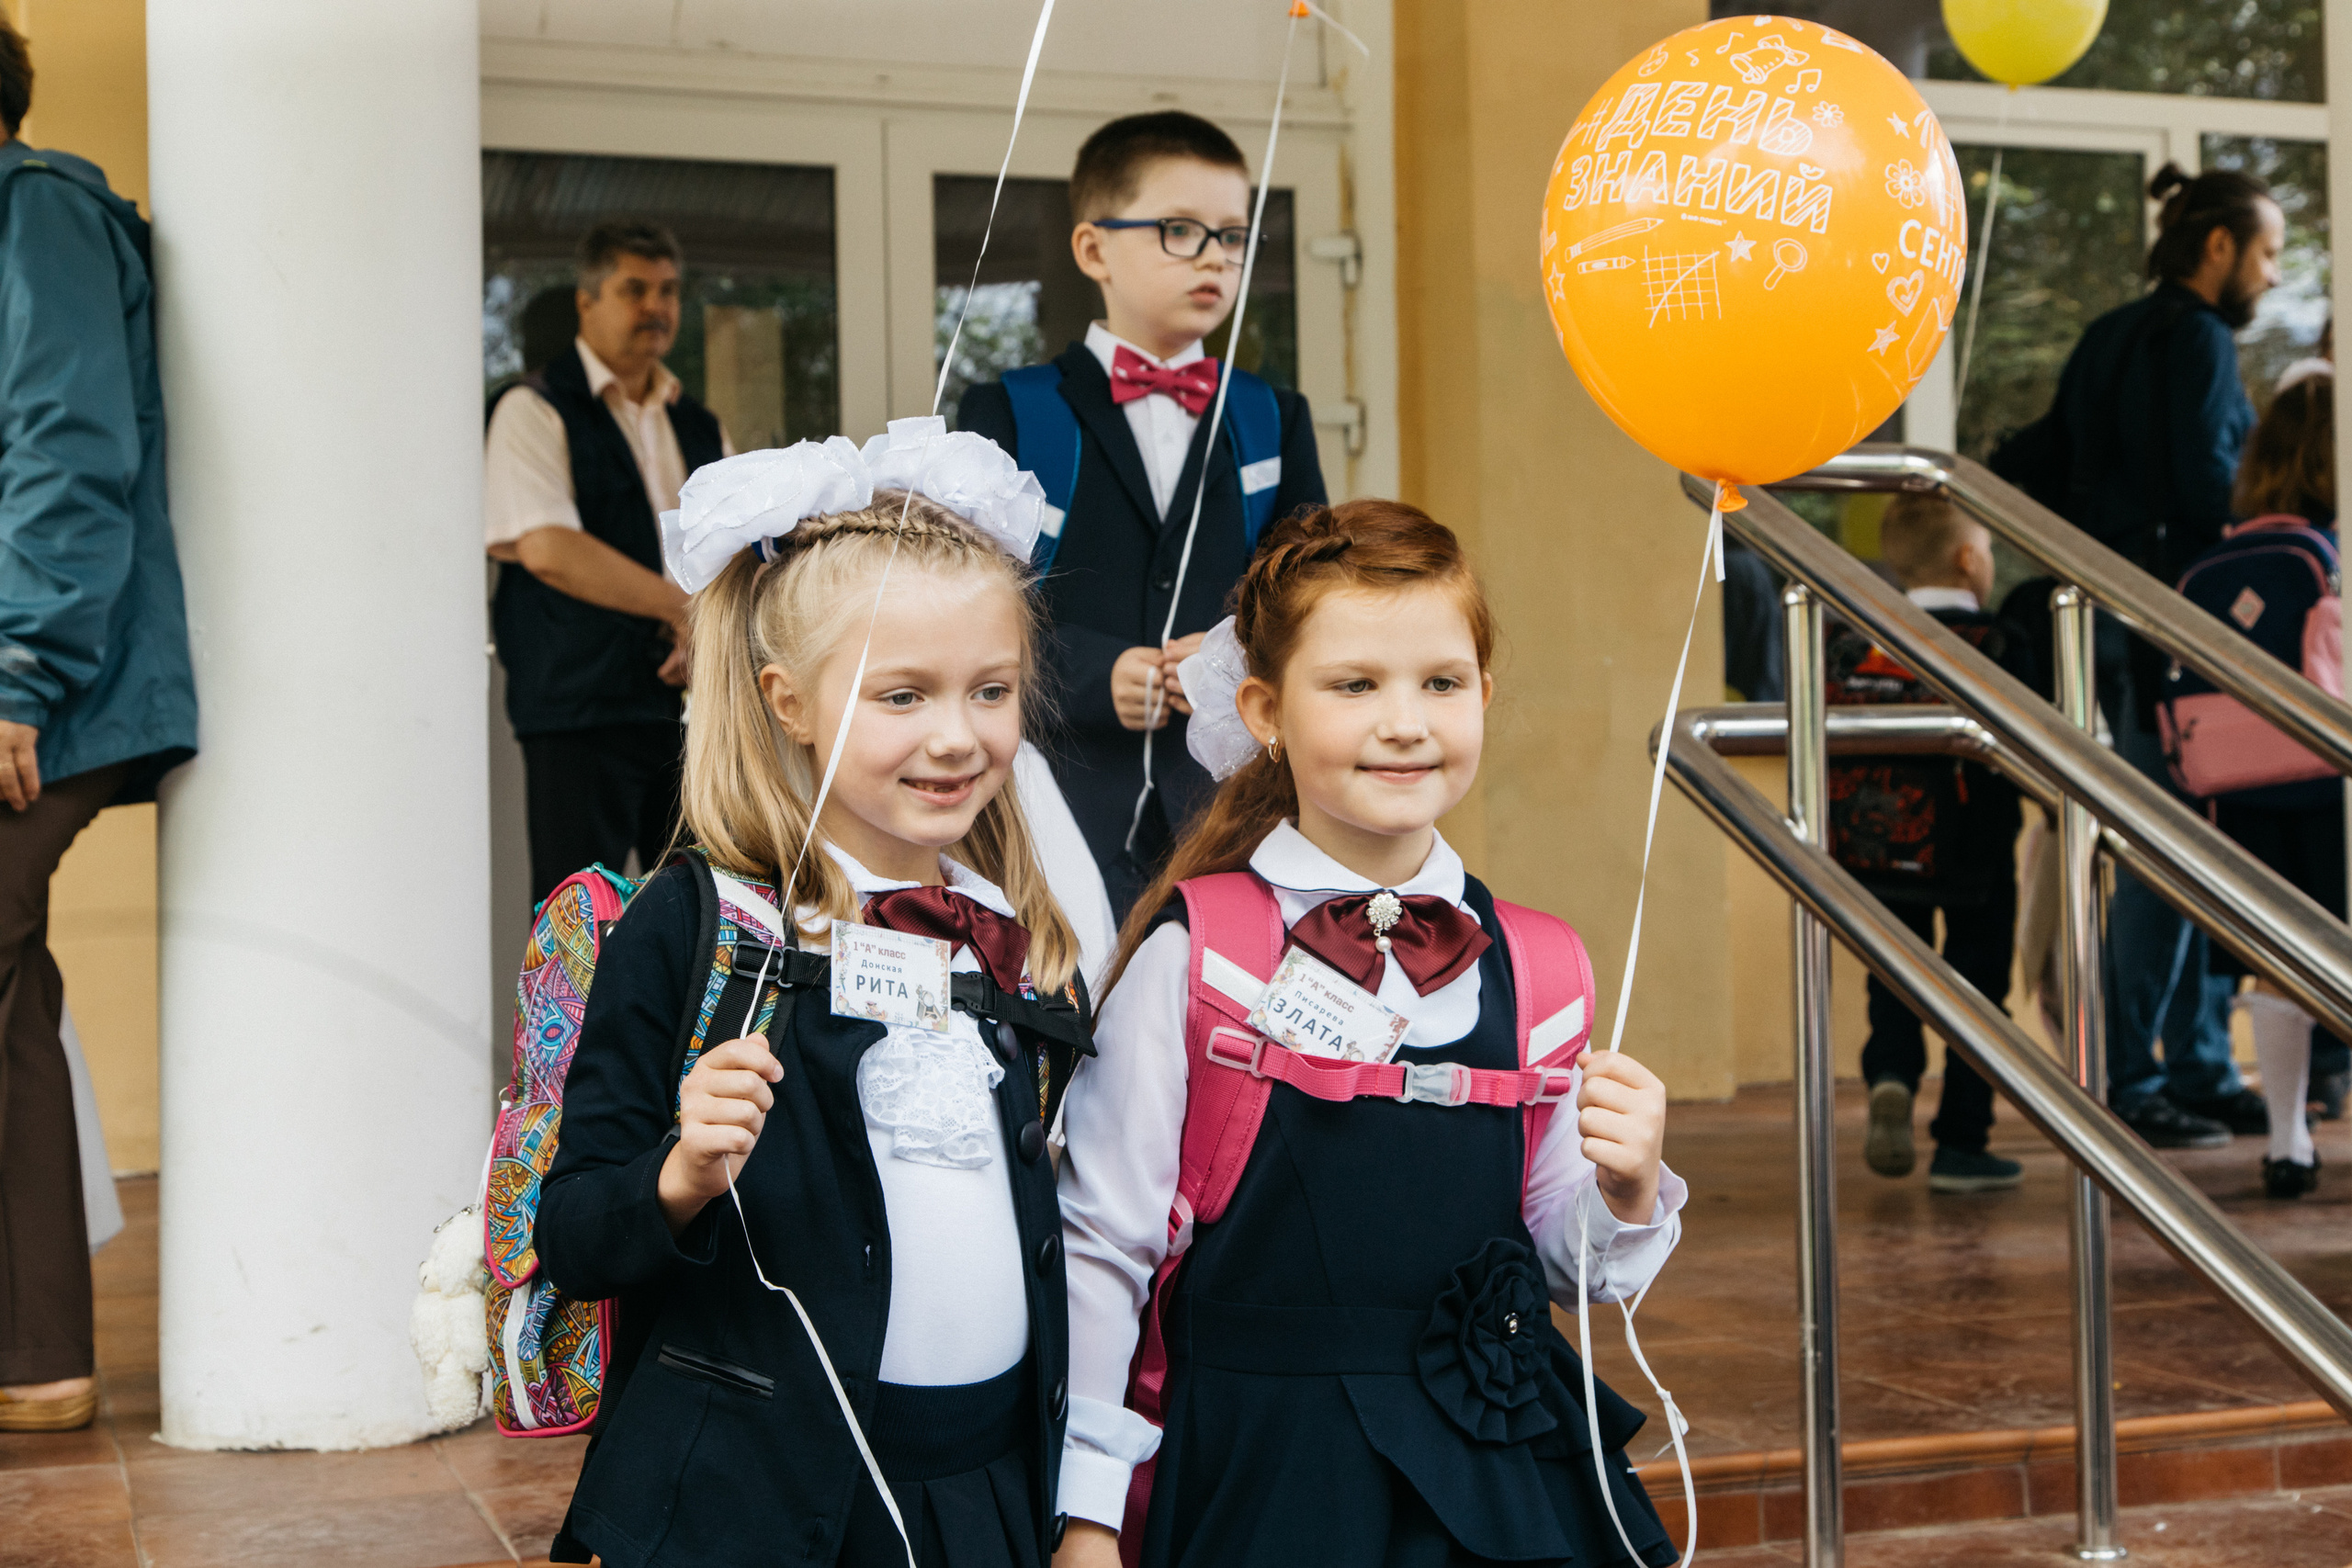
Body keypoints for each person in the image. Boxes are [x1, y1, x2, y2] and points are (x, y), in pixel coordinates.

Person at [1055, 502, 1684, 1568]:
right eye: (1354, 686)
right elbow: (1105, 1245)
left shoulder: (1540, 966)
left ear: (1482, 696)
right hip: (1269, 1467)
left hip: (1491, 1463)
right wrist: (1088, 1513)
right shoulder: (1202, 952)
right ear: (1265, 710)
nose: (1406, 722)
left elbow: (1557, 1256)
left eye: (1440, 683)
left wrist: (1624, 1192)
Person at [537, 425, 1084, 1566]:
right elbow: (576, 1234)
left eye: (991, 690)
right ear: (788, 702)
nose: (955, 736)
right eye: (901, 695)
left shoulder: (1008, 926)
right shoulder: (698, 928)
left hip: (985, 1493)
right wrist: (681, 1173)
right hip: (761, 1505)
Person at [958, 112, 1326, 919]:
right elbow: (963, 600)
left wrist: (1229, 653)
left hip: (1228, 805)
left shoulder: (1272, 417)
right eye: (1180, 230)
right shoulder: (1013, 411)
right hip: (1053, 789)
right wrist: (1091, 674)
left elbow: (1311, 600)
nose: (1214, 258)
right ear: (1093, 250)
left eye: (1234, 237)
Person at [1993, 162, 2285, 1149]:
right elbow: (2207, 488)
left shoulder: (2106, 335)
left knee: (2171, 850)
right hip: (2167, 634)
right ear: (2218, 248)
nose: (2273, 276)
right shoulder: (2197, 338)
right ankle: (2138, 1074)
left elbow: (2037, 461)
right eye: (2268, 252)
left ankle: (2193, 1064)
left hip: (2098, 626)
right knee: (2177, 856)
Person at [0, 20, 197, 1435]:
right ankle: (38, 1356)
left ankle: (37, 1350)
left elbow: (69, 446)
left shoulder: (38, 210)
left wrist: (15, 667)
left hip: (46, 683)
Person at [485, 220, 730, 908]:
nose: (656, 306)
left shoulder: (699, 424)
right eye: (634, 289)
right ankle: (576, 1028)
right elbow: (548, 546)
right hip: (580, 712)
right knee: (577, 923)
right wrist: (684, 610)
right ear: (586, 302)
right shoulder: (532, 408)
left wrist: (707, 633)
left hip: (690, 716)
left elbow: (736, 551)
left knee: (700, 917)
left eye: (668, 291)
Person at [2165, 374, 2343, 1197]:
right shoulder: (2326, 554)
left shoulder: (2216, 559)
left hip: (2233, 788)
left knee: (2277, 959)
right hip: (2326, 783)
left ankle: (2287, 1140)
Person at [1835, 495, 2041, 1195]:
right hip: (1973, 852)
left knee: (1894, 977)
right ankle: (1961, 1141)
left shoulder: (1861, 636)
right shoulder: (2000, 639)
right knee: (1978, 989)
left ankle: (1891, 1073)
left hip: (1875, 852)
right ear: (1967, 558)